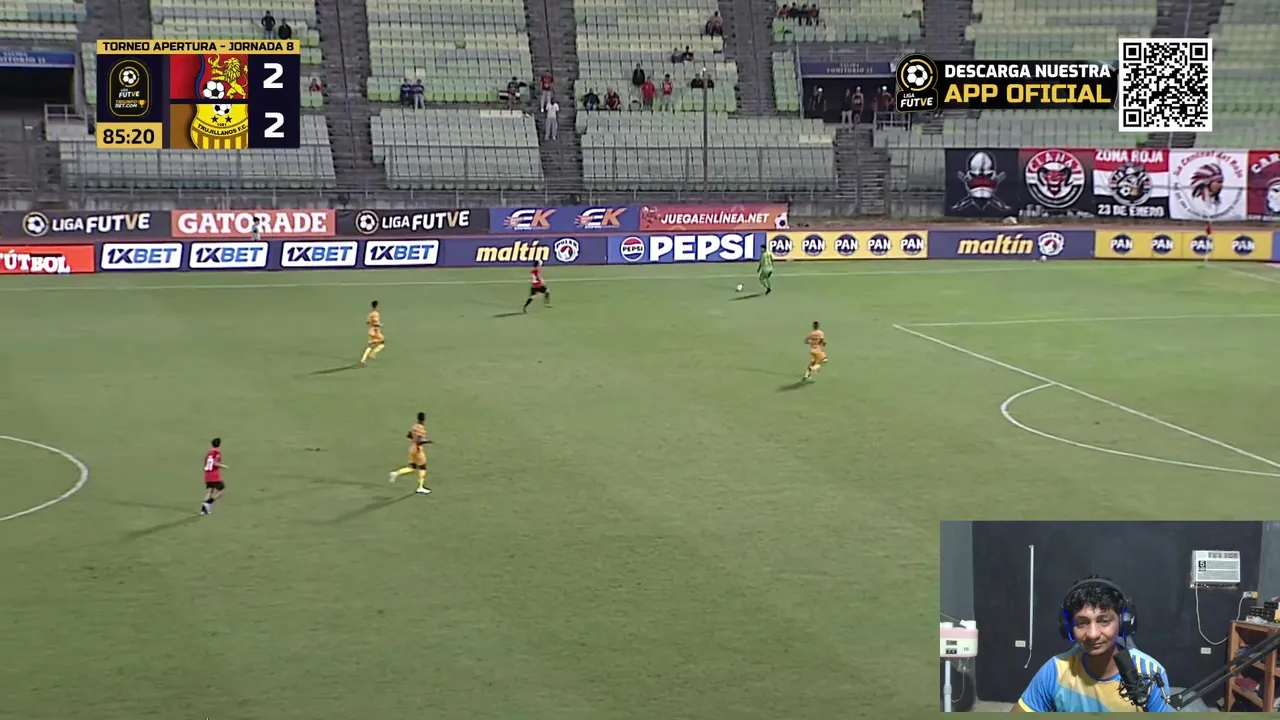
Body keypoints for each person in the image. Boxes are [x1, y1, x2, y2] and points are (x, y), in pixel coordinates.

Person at [1015, 577, 1173, 712]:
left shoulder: (1150, 672)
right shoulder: (1054, 671)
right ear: (1068, 627)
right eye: (1081, 623)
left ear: (1123, 623)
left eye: (1104, 621)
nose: (1092, 634)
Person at [389, 412, 431, 495]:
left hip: (412, 448)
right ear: (424, 419)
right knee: (422, 467)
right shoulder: (421, 428)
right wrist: (427, 441)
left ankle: (396, 473)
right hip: (417, 450)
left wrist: (414, 438)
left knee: (412, 467)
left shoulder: (414, 427)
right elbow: (419, 441)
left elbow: (409, 435)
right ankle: (420, 487)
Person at [201, 438, 227, 515]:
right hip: (214, 475)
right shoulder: (217, 452)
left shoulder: (209, 453)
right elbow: (214, 463)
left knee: (209, 491)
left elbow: (206, 463)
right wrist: (223, 466)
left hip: (208, 474)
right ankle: (208, 503)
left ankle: (203, 510)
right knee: (221, 491)